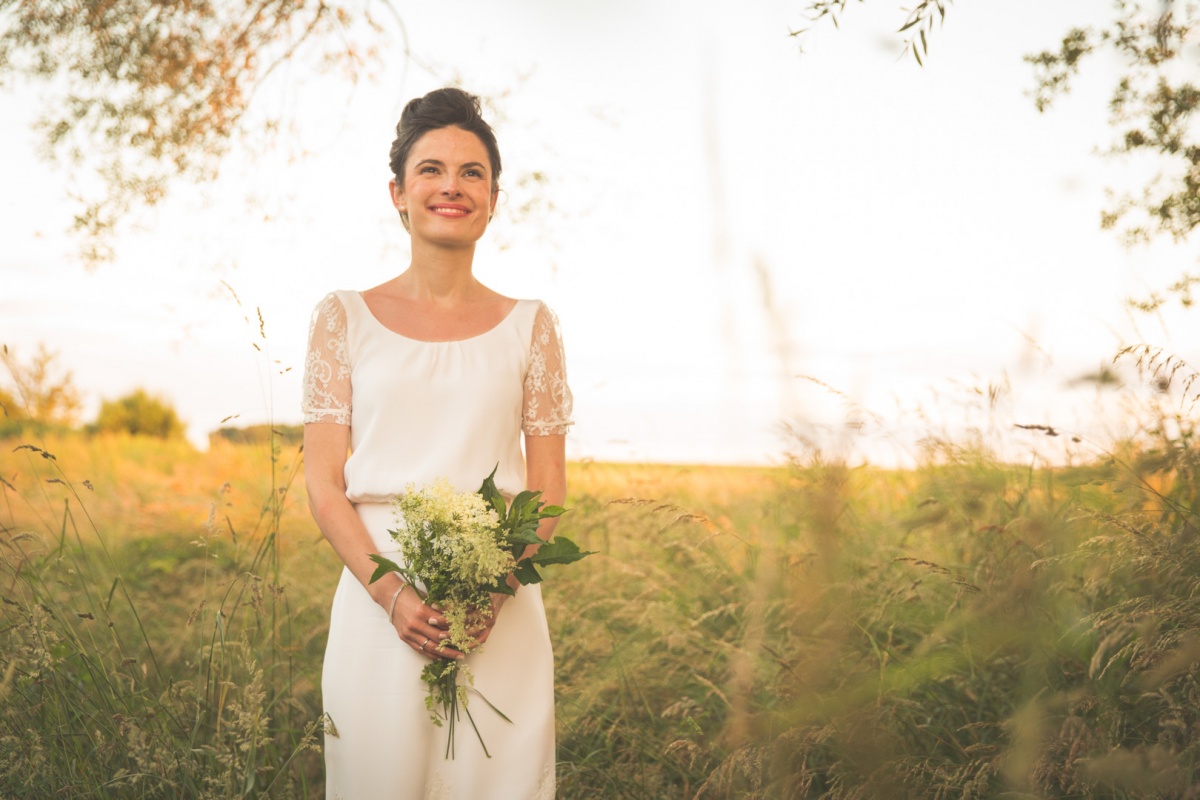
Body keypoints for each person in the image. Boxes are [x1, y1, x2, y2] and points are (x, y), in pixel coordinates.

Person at [301, 87, 572, 800]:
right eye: (431, 169)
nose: (451, 185)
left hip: (499, 611)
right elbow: (325, 486)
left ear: (493, 197)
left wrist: (495, 592)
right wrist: (392, 596)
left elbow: (547, 491)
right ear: (397, 193)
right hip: (376, 604)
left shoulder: (531, 327)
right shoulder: (343, 319)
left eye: (472, 172)